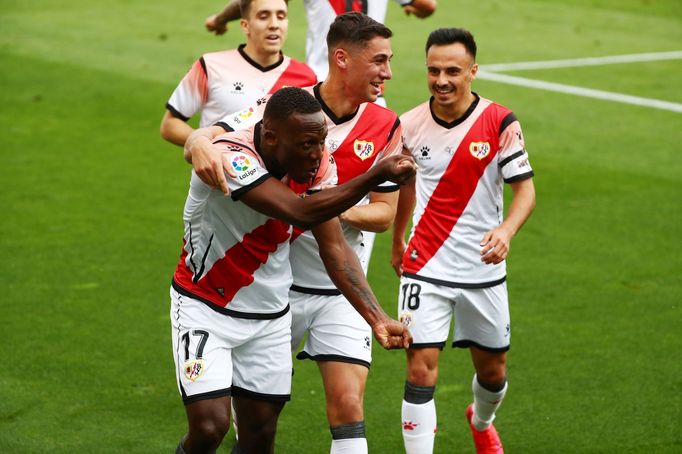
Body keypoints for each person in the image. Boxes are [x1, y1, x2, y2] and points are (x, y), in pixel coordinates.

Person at [186, 12, 407, 454]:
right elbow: (217, 135)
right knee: (236, 425)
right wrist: (196, 142)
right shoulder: (287, 107)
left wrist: (379, 316)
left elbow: (379, 215)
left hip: (340, 284)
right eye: (379, 60)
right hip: (275, 287)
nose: (388, 72)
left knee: (346, 406)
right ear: (342, 59)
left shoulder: (383, 126)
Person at [391, 28, 536, 454]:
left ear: (473, 71)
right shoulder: (409, 125)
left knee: (493, 373)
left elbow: (525, 190)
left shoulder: (500, 122)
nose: (441, 80)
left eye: (452, 71)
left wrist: (506, 231)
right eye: (433, 70)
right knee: (420, 371)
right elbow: (405, 189)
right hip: (425, 266)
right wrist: (397, 240)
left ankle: (481, 418)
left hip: (482, 266)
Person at [160, 0, 316, 147]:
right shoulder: (211, 65)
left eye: (281, 17)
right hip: (216, 175)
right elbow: (170, 124)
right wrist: (207, 146)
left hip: (273, 177)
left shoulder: (306, 78)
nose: (274, 24)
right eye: (263, 17)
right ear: (245, 25)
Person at [205, 0, 437, 80]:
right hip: (370, 85)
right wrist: (414, 10)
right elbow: (428, 5)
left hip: (321, 83)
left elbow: (256, 2)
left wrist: (219, 19)